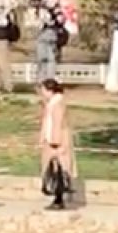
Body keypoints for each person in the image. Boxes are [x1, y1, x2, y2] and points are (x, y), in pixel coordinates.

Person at [38, 79, 78, 210]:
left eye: (43, 90)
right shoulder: (51, 104)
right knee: (53, 170)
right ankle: (57, 197)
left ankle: (59, 199)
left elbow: (57, 123)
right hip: (52, 140)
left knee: (59, 171)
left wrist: (55, 143)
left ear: (49, 90)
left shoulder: (57, 104)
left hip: (58, 142)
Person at [31, 0, 65, 82]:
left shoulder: (55, 11)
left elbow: (60, 20)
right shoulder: (40, 10)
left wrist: (53, 18)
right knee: (43, 58)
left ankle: (49, 79)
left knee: (50, 58)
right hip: (44, 34)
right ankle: (43, 79)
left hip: (50, 34)